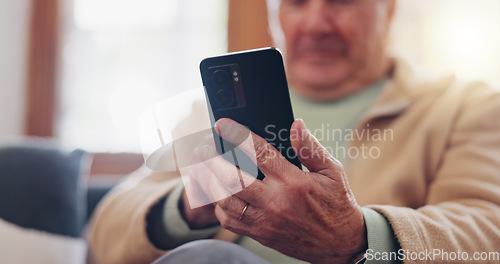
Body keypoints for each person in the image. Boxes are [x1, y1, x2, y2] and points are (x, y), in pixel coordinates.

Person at [89, 0, 500, 263]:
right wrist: (187, 207)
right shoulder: (208, 115)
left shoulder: (465, 107)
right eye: (296, 2)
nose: (315, 22)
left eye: (341, 1)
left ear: (388, 8)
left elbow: (488, 233)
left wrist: (359, 235)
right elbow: (105, 235)